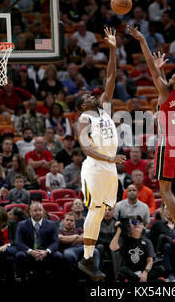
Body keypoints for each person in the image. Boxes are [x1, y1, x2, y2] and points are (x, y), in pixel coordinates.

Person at [129, 24, 175, 256]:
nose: (168, 77)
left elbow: (151, 67)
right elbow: (164, 77)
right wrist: (163, 72)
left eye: (172, 77)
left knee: (165, 188)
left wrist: (142, 40)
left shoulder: (164, 91)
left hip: (168, 143)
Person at [73, 27, 126, 280]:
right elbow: (86, 148)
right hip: (95, 166)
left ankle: (89, 260)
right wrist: (109, 158)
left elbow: (111, 77)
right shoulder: (83, 119)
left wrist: (113, 48)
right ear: (81, 106)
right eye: (85, 96)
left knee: (103, 211)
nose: (90, 95)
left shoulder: (104, 108)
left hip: (110, 168)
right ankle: (86, 259)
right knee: (93, 211)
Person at [14, 202, 66, 282]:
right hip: (29, 252)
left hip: (45, 252)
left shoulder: (51, 224)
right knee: (19, 255)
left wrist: (47, 251)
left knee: (58, 256)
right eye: (35, 210)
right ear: (30, 212)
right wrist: (30, 251)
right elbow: (18, 242)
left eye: (40, 210)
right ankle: (22, 279)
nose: (38, 212)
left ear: (43, 212)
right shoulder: (22, 224)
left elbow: (55, 242)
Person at [109, 215, 165, 282]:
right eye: (134, 222)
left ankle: (137, 280)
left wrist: (145, 273)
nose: (137, 224)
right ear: (129, 227)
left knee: (160, 269)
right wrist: (118, 231)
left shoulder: (147, 242)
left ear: (142, 227)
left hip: (143, 271)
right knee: (122, 271)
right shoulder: (124, 240)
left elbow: (150, 261)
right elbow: (112, 247)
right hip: (130, 271)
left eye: (139, 223)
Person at [59, 212, 103, 281]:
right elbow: (61, 239)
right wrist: (76, 236)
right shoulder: (59, 231)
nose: (69, 222)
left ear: (74, 222)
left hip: (81, 248)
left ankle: (94, 272)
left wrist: (69, 240)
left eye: (71, 220)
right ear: (63, 221)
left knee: (95, 251)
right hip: (69, 249)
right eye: (67, 220)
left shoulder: (78, 229)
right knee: (68, 255)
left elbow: (84, 238)